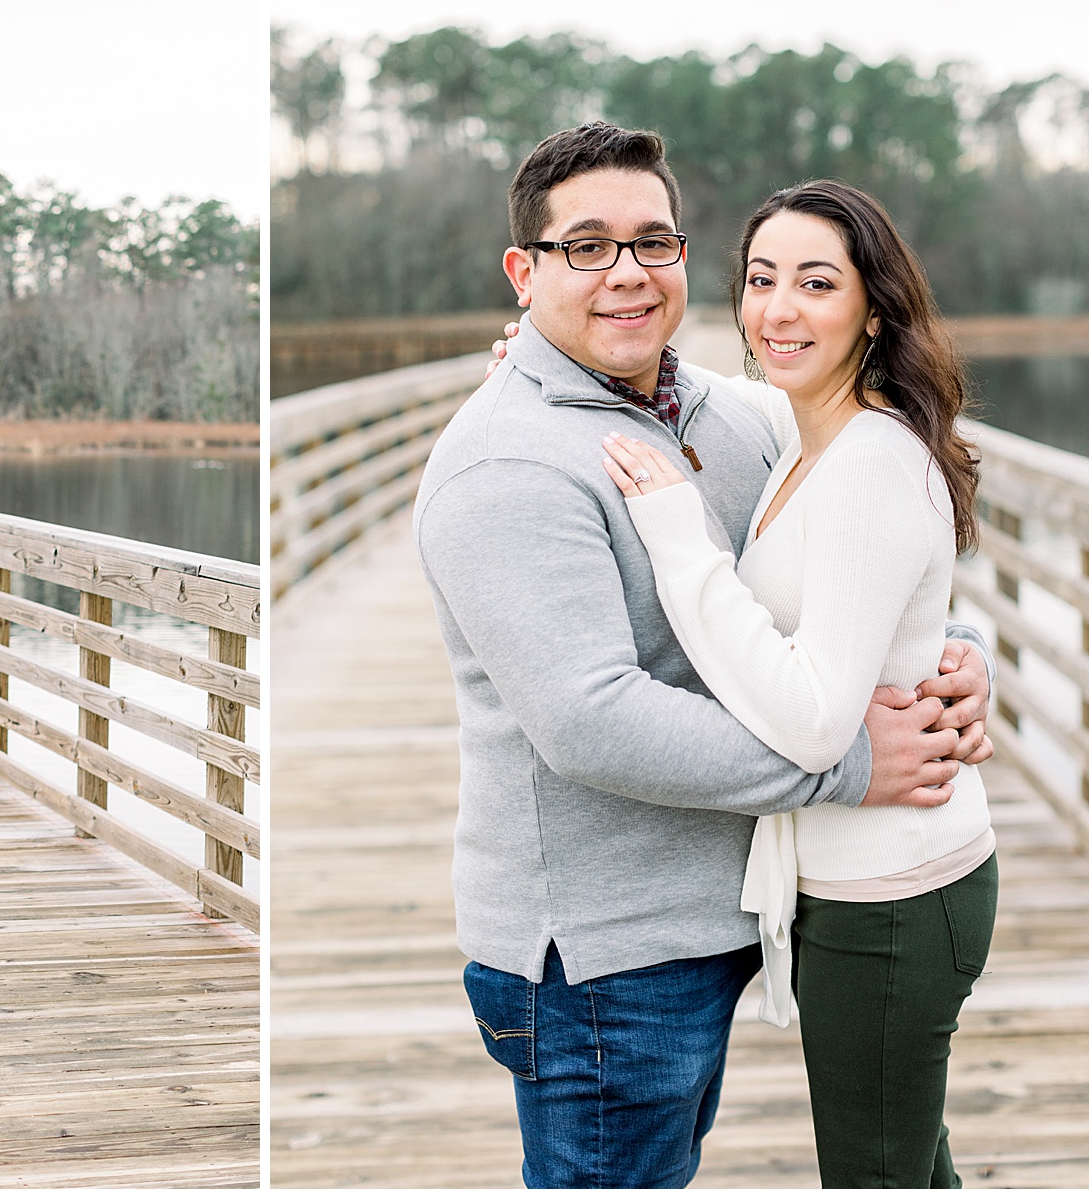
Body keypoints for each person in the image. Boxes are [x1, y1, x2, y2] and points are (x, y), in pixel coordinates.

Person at [412, 122, 994, 1189]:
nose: (626, 274)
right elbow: (591, 718)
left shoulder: (731, 416)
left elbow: (857, 547)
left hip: (735, 905)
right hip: (603, 956)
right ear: (524, 272)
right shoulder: (507, 466)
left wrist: (954, 651)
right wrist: (855, 763)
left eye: (652, 241)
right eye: (586, 248)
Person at [599, 179, 994, 1187]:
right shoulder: (803, 432)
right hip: (853, 878)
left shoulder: (865, 458)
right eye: (762, 278)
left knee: (875, 1177)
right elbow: (695, 387)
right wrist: (536, 356)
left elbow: (817, 720)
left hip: (893, 892)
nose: (779, 308)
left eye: (816, 282)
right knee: (910, 1168)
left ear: (874, 306)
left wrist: (683, 542)